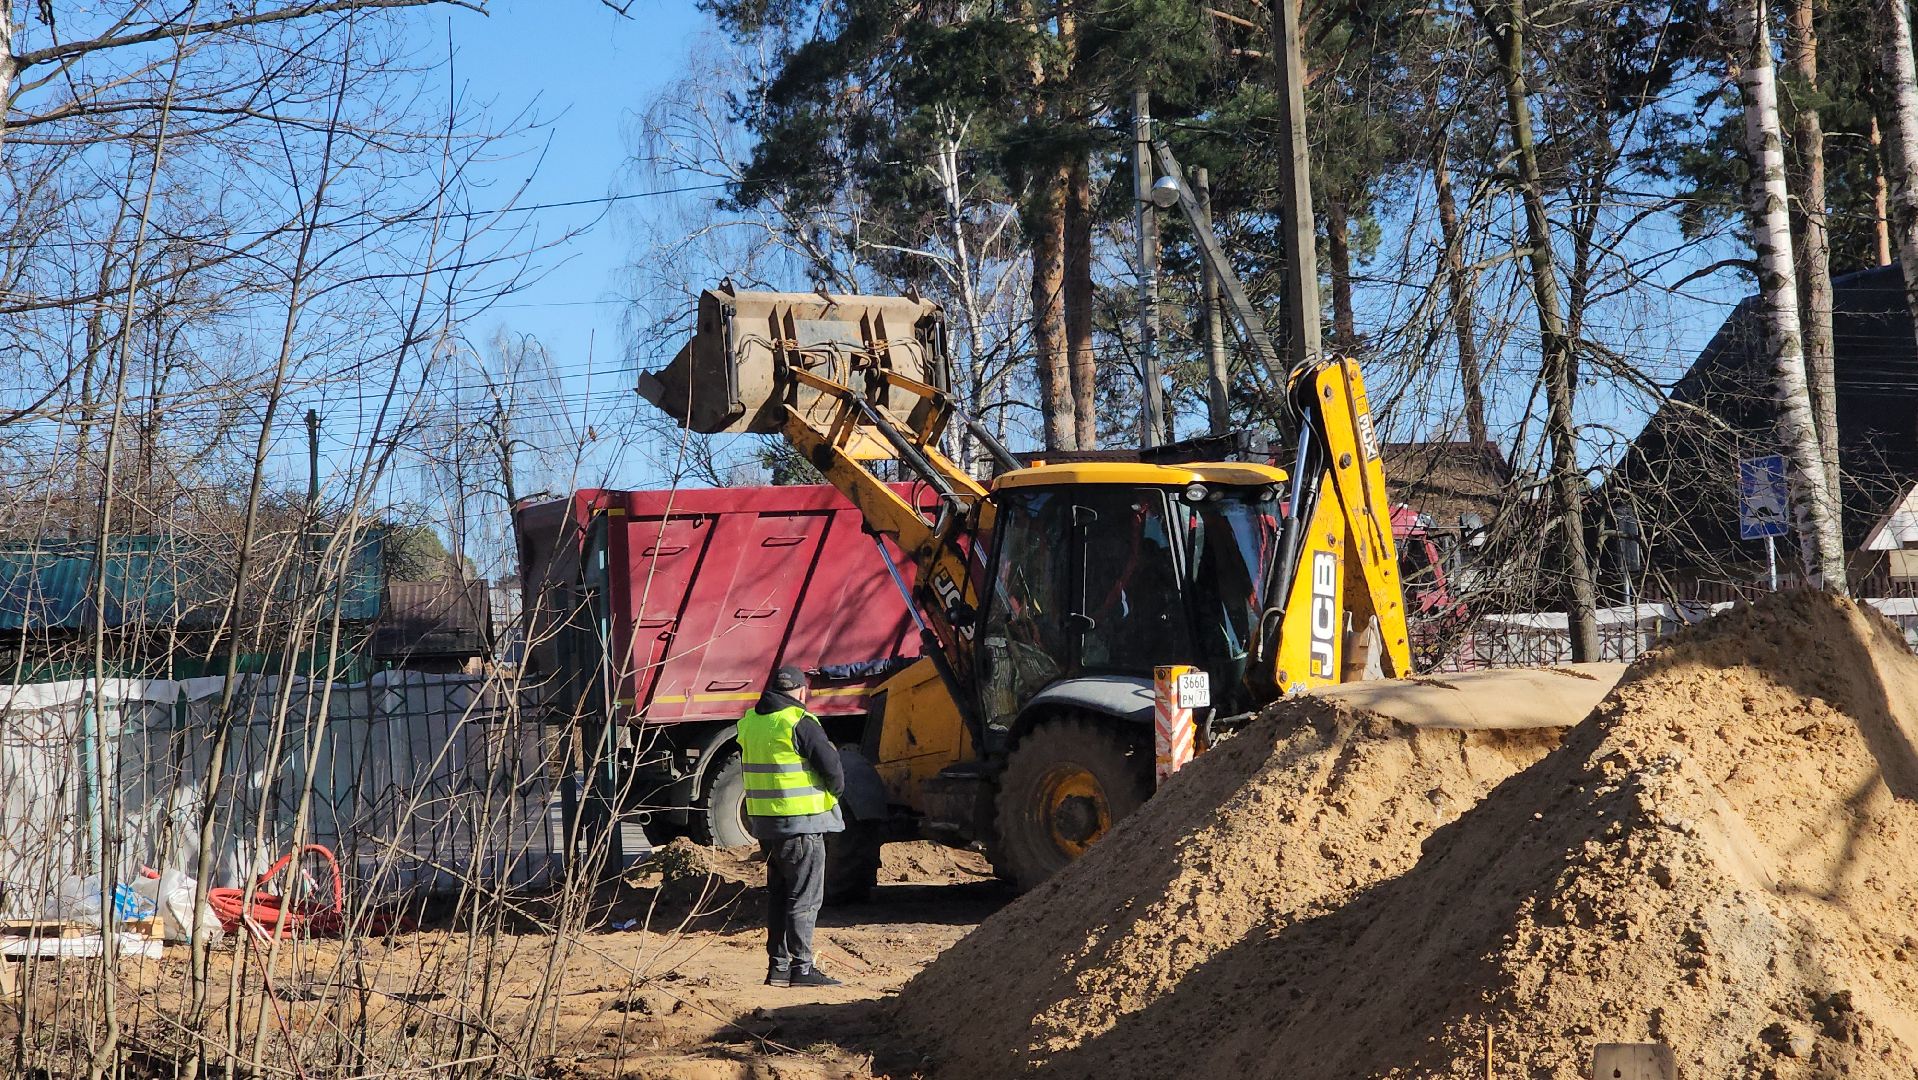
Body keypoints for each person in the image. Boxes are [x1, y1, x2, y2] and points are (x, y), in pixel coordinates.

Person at [737, 664, 845, 988]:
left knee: (780, 895)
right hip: (801, 824)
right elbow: (832, 769)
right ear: (800, 691)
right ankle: (803, 969)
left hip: (766, 825)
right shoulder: (800, 721)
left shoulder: (751, 721)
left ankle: (779, 967)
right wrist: (835, 793)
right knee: (805, 898)